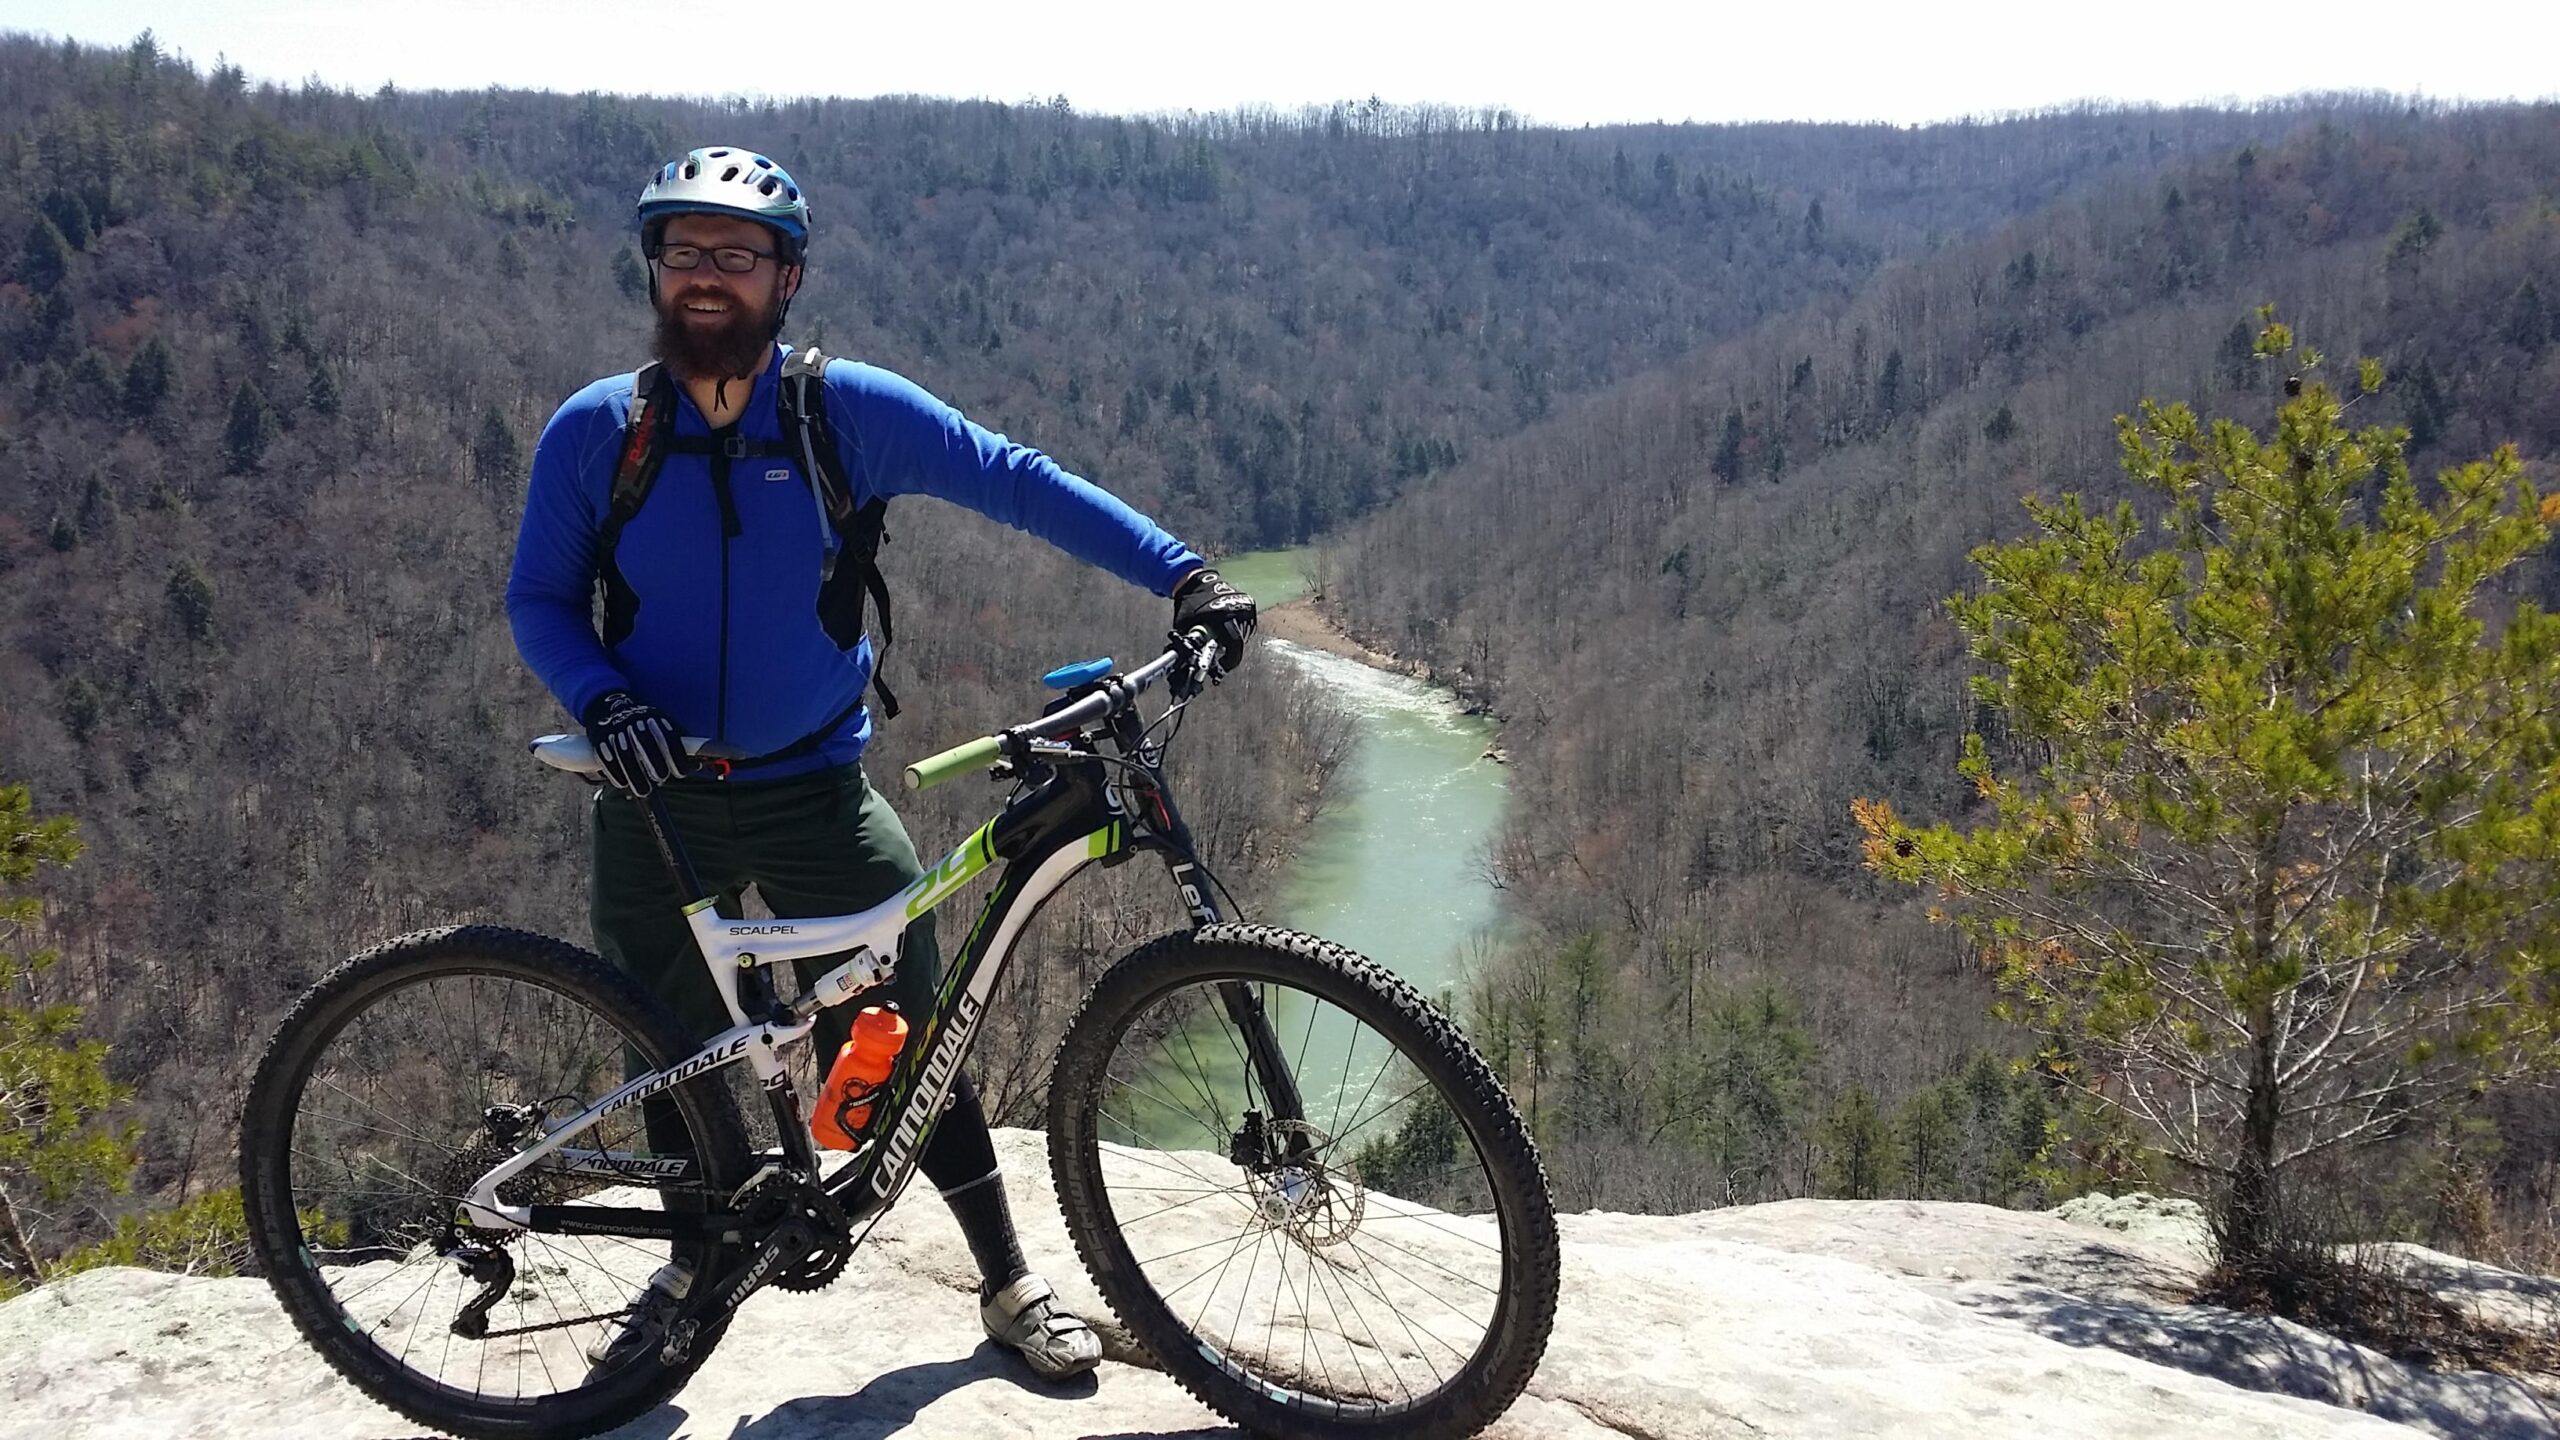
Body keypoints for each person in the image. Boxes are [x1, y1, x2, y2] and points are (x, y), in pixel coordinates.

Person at [504, 146, 1257, 1380]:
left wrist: (1181, 572)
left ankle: (1006, 1280)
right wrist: (598, 698)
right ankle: (691, 1265)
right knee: (670, 1044)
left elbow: (1013, 478)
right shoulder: (602, 431)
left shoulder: (839, 412)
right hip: (653, 798)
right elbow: (540, 598)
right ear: (654, 267)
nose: (705, 277)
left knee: (901, 1030)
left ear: (786, 277)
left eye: (734, 255)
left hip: (812, 786)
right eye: (683, 251)